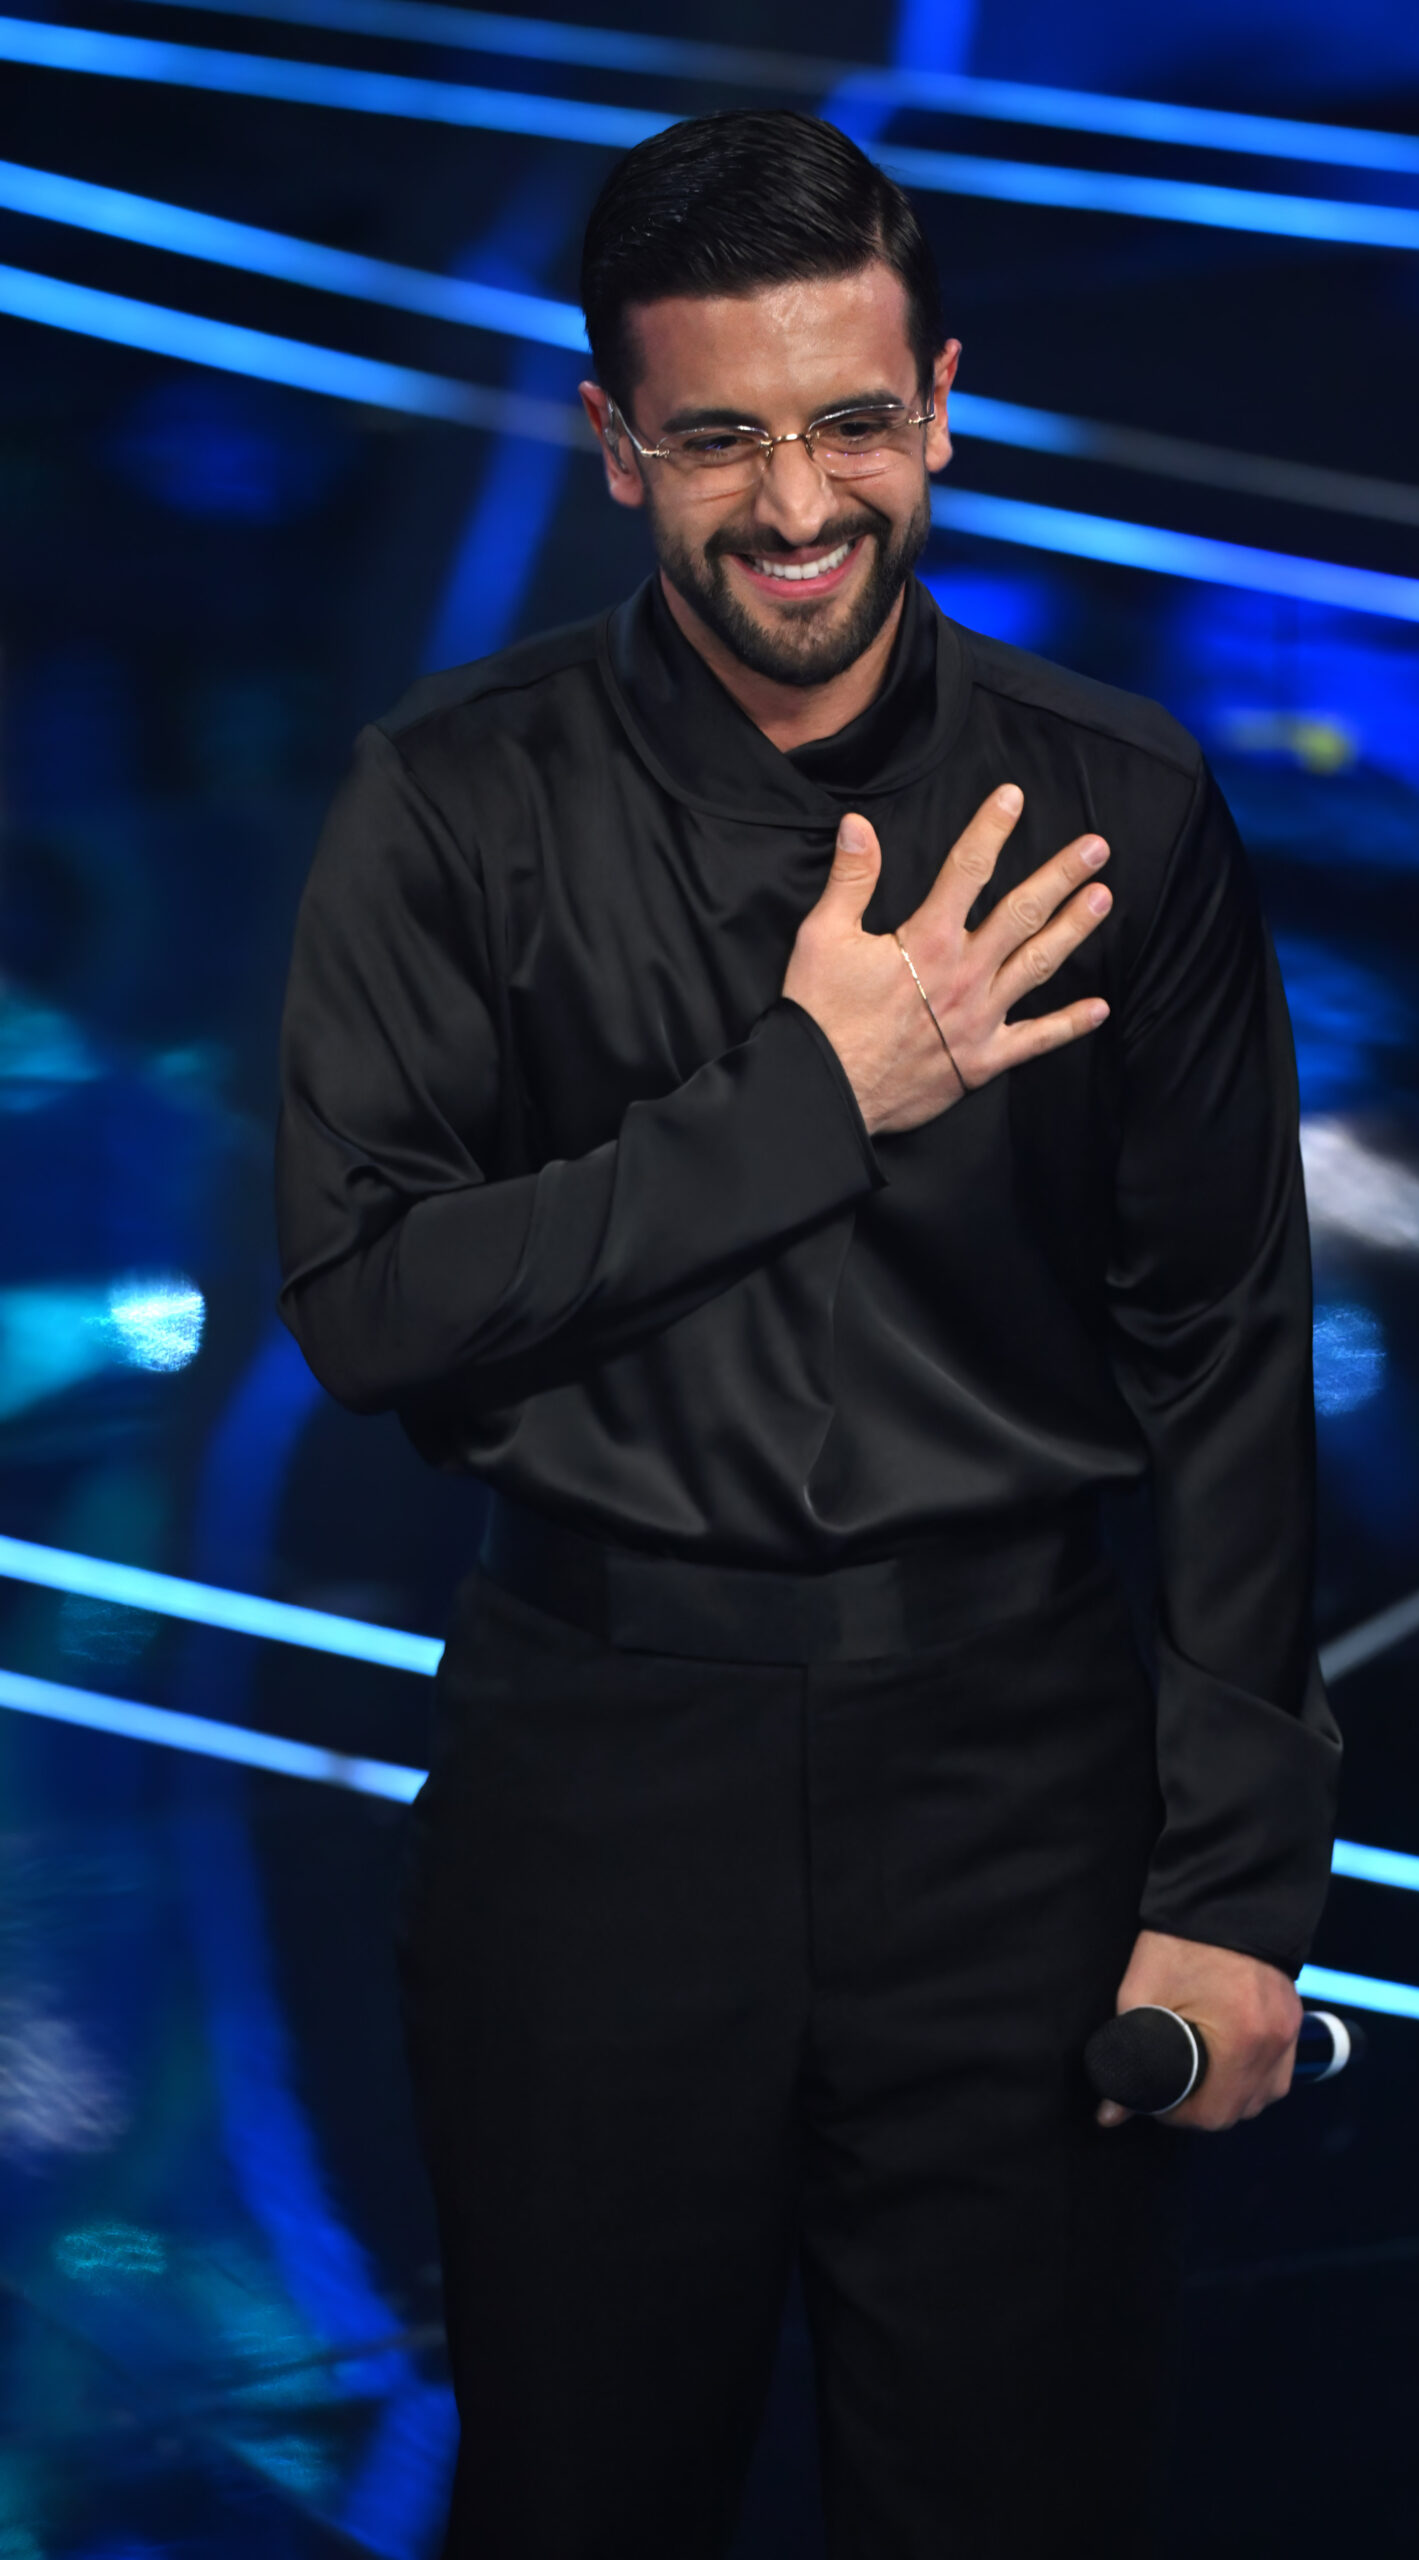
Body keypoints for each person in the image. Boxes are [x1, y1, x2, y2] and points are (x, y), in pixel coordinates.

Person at [275, 107, 1340, 2560]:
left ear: (939, 403)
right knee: (579, 2496)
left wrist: (1234, 1883)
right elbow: (368, 1298)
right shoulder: (446, 805)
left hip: (1015, 1789)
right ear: (611, 437)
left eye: (848, 421)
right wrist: (809, 1098)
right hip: (594, 1774)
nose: (793, 506)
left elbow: (1224, 1349)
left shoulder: (1117, 805)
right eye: (719, 438)